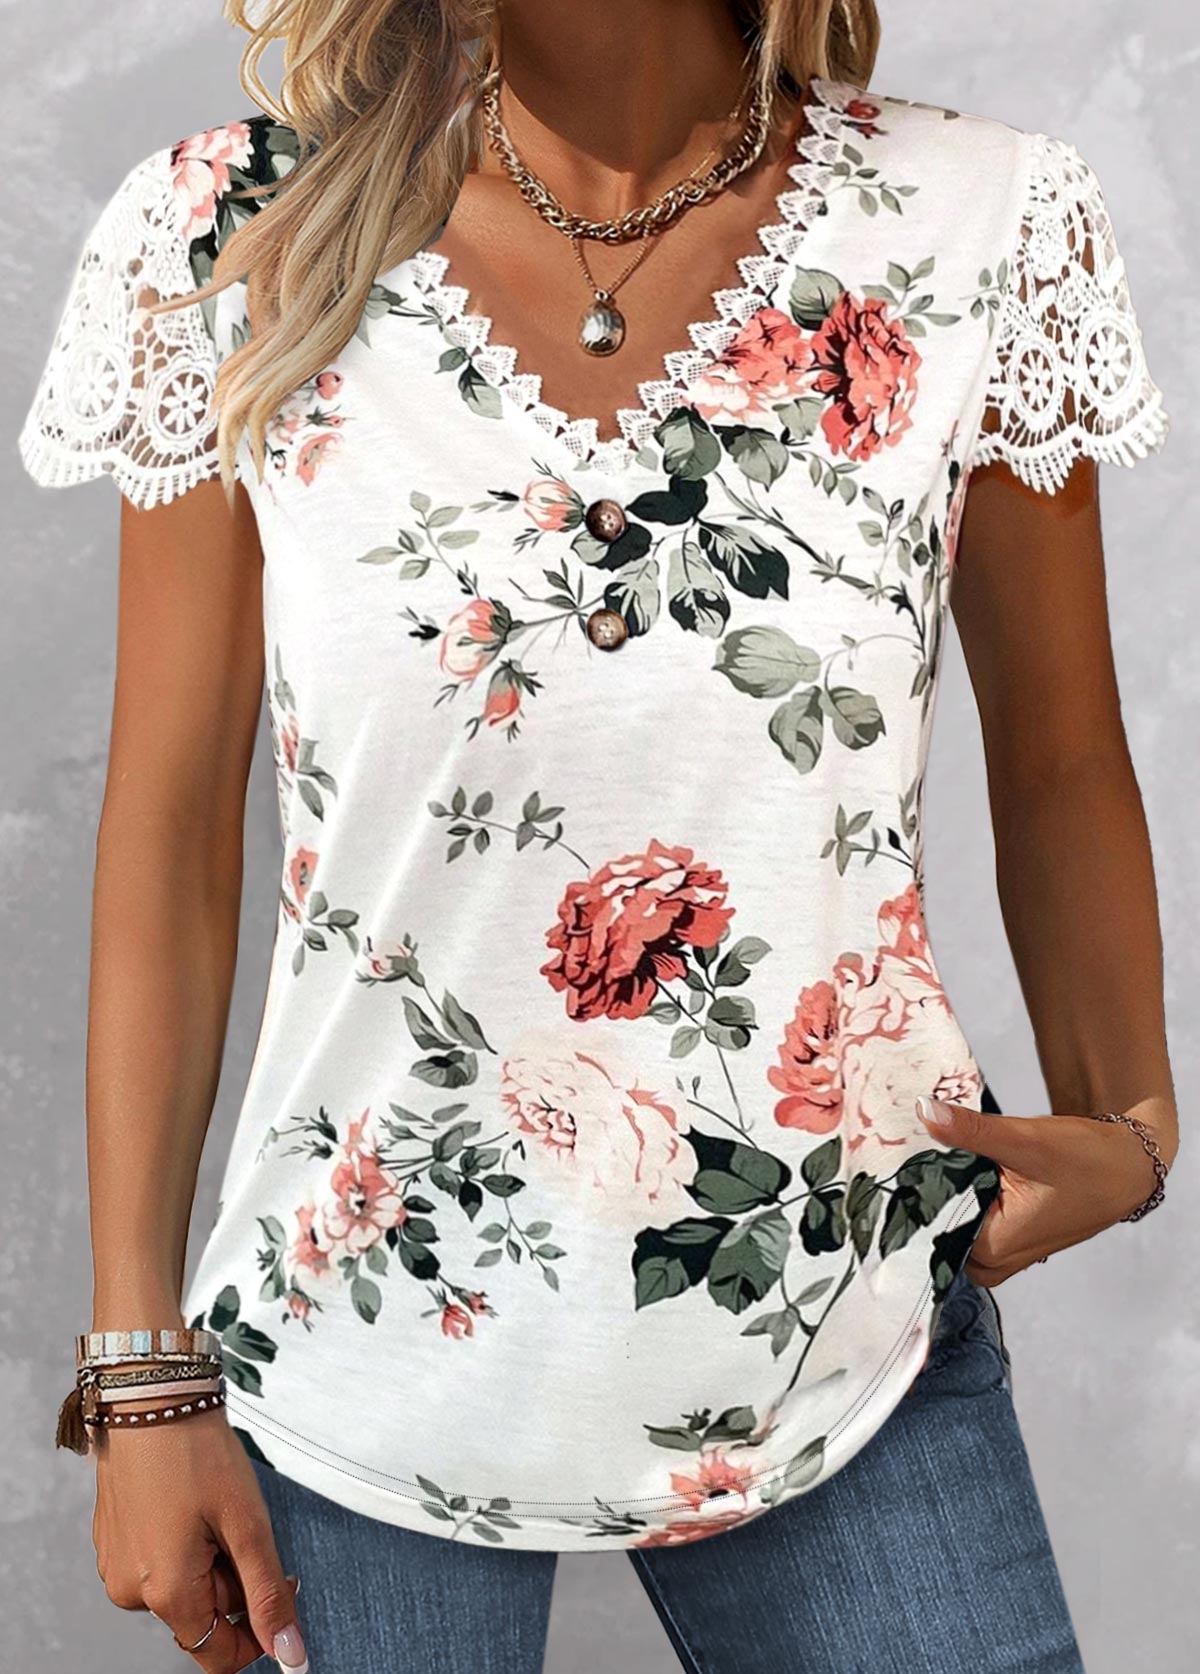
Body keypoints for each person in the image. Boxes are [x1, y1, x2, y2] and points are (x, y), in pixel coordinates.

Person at [19, 3, 1178, 1671]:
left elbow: (1061, 750)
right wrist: (139, 1367)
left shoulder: (978, 224)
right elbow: (169, 821)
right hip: (355, 1358)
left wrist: (1131, 1117)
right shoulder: (229, 236)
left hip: (842, 1321)